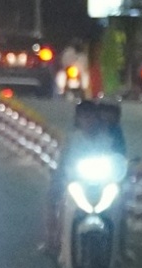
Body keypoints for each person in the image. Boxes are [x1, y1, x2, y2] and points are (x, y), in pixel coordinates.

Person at [43, 97, 129, 257]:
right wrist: (59, 173)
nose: (88, 121)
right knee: (55, 197)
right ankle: (51, 240)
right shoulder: (72, 139)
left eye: (91, 117)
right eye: (84, 117)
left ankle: (121, 249)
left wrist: (121, 171)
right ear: (78, 120)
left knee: (121, 203)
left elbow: (119, 160)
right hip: (76, 181)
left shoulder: (108, 139)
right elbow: (63, 161)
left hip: (102, 182)